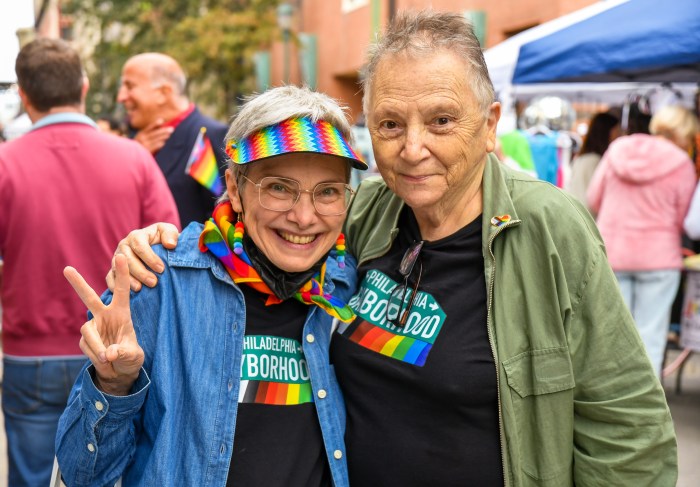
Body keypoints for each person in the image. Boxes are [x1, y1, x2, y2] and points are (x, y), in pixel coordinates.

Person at [110, 11, 678, 485]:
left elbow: (629, 428)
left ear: (489, 124)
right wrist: (161, 244)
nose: (412, 149)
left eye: (441, 120)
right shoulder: (368, 212)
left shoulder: (547, 226)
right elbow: (271, 215)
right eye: (388, 124)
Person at [55, 85, 367, 486]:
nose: (304, 217)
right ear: (235, 189)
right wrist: (113, 384)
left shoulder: (341, 285)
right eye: (278, 187)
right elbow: (82, 475)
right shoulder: (158, 280)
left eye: (327, 192)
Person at [0, 38, 180, 487]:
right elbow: (170, 248)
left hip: (31, 353)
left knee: (33, 477)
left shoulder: (5, 164)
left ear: (23, 95)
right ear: (83, 86)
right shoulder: (134, 158)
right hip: (121, 351)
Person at [588, 104, 698, 377]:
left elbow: (593, 199)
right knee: (650, 333)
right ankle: (645, 410)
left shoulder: (618, 149)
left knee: (610, 333)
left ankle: (607, 400)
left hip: (613, 252)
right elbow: (687, 217)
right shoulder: (681, 163)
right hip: (659, 258)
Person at [118, 52, 229, 226]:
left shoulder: (207, 137)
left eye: (129, 86)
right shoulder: (132, 142)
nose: (121, 97)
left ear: (163, 93)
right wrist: (135, 156)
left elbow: (222, 217)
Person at [565, 111, 620, 211]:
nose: (619, 136)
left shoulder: (581, 158)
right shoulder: (596, 161)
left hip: (577, 215)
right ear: (607, 132)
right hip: (590, 220)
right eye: (617, 131)